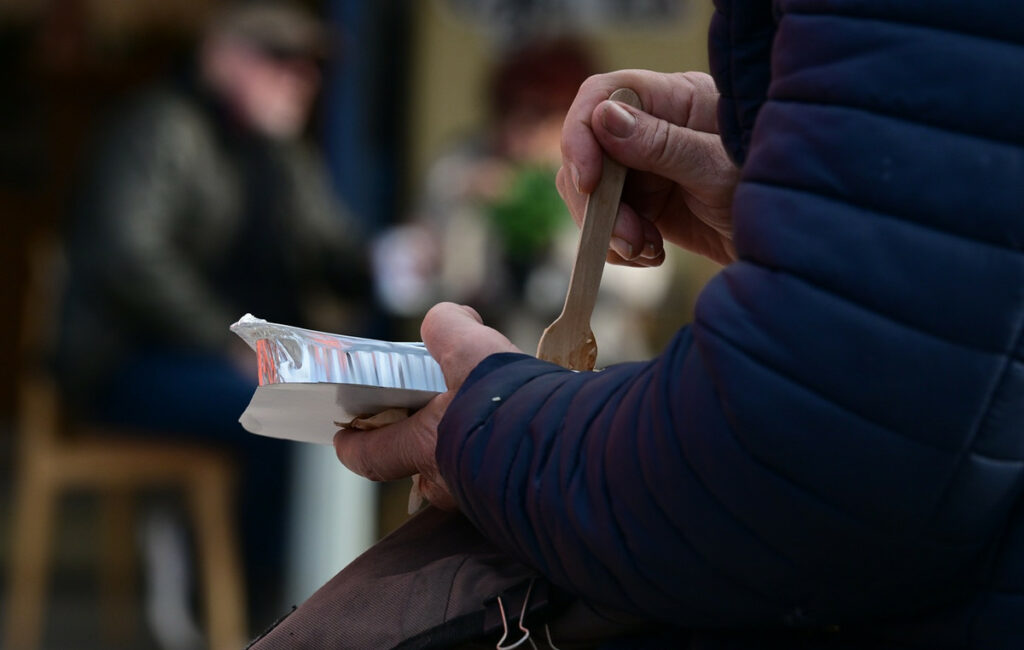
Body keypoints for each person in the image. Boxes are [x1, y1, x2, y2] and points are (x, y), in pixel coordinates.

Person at [334, 1, 1024, 648]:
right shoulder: (466, 170)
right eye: (514, 109)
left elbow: (791, 456)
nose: (523, 126)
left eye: (539, 111)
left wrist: (487, 423)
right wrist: (776, 194)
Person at [55, 1, 369, 639]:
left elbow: (340, 254)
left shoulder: (282, 156)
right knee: (274, 413)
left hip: (249, 359)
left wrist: (390, 262)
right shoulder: (160, 127)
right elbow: (127, 258)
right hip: (131, 361)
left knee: (343, 403)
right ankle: (231, 602)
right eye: (279, 59)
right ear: (221, 56)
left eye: (310, 68)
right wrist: (227, 339)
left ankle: (295, 601)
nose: (299, 79)